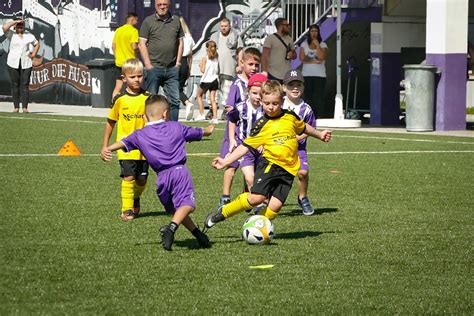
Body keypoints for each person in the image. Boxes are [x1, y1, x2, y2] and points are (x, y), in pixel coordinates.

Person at [204, 80, 331, 231]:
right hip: (270, 165)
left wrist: (320, 134)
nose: (270, 107)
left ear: (282, 101)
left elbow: (304, 127)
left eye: (275, 103)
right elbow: (245, 146)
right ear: (262, 101)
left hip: (289, 170)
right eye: (267, 103)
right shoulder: (261, 124)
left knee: (275, 206)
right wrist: (226, 161)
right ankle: (222, 213)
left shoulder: (290, 117)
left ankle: (256, 226)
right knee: (256, 198)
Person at [101, 95, 215, 251]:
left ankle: (198, 235)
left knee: (177, 210)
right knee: (188, 205)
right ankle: (171, 229)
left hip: (161, 179)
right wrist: (208, 130)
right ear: (165, 113)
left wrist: (107, 148)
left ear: (144, 116)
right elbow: (200, 132)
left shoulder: (139, 134)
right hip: (179, 172)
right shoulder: (176, 127)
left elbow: (123, 142)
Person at [100, 59, 149, 222]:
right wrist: (105, 146)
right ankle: (127, 209)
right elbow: (110, 122)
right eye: (132, 76)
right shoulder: (119, 99)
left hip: (145, 149)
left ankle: (135, 198)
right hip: (125, 148)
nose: (137, 79)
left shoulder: (148, 98)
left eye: (140, 76)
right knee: (129, 178)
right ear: (124, 79)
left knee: (142, 181)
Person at [217, 47, 261, 207]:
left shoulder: (259, 84)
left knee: (250, 165)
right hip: (235, 133)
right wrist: (231, 139)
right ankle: (225, 197)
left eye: (257, 65)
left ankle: (248, 195)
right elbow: (230, 107)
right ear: (242, 63)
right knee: (231, 164)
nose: (254, 68)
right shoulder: (237, 84)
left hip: (251, 133)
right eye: (250, 64)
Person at [138, 0, 183, 121]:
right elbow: (141, 44)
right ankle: (151, 131)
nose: (162, 7)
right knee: (151, 102)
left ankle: (174, 130)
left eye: (165, 5)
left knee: (174, 101)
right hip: (154, 68)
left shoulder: (176, 21)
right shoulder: (148, 21)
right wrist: (148, 65)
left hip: (172, 69)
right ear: (155, 5)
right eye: (159, 5)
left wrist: (178, 63)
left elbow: (181, 42)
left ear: (169, 5)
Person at [282, 69, 316, 215]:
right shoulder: (278, 104)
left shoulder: (306, 109)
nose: (295, 88)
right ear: (284, 88)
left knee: (303, 172)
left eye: (298, 85)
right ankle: (266, 199)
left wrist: (295, 139)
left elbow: (310, 129)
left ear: (303, 87)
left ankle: (302, 197)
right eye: (291, 85)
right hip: (278, 149)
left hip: (298, 148)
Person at [226, 73, 268, 191]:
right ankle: (256, 204)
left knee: (261, 179)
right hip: (245, 147)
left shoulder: (267, 109)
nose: (257, 97)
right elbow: (232, 120)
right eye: (254, 93)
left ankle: (251, 196)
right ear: (248, 91)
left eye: (261, 94)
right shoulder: (240, 107)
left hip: (262, 148)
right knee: (250, 178)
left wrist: (263, 143)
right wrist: (232, 139)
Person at [2, 17, 40, 113]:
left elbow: (37, 44)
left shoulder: (29, 35)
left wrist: (33, 54)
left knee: (25, 84)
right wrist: (15, 22)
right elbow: (4, 28)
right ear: (15, 26)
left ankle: (25, 107)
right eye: (18, 25)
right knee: (15, 84)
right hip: (13, 62)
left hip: (26, 62)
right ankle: (16, 107)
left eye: (21, 25)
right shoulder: (11, 34)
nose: (20, 27)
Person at [210, 17, 244, 120]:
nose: (224, 28)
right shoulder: (214, 36)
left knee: (227, 90)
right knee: (214, 90)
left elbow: (240, 50)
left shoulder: (235, 35)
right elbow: (209, 50)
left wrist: (240, 64)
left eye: (226, 26)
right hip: (215, 67)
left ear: (230, 26)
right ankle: (212, 110)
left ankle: (226, 110)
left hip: (229, 67)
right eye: (222, 26)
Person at [299, 24, 328, 118]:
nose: (314, 33)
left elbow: (322, 57)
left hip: (320, 75)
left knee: (318, 97)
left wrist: (317, 45)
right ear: (309, 33)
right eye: (312, 31)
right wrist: (315, 61)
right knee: (308, 96)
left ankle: (320, 116)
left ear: (318, 32)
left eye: (316, 31)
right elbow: (302, 58)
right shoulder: (304, 44)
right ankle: (308, 116)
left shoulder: (323, 44)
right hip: (307, 75)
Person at [112, 12, 139, 98]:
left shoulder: (118, 30)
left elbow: (113, 46)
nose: (137, 22)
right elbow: (134, 47)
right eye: (136, 20)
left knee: (118, 86)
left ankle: (113, 103)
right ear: (132, 20)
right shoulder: (134, 31)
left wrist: (117, 57)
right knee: (133, 86)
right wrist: (142, 47)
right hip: (130, 63)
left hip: (119, 63)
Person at [261, 17, 296, 83]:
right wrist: (265, 71)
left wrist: (292, 54)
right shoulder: (270, 38)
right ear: (280, 26)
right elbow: (264, 56)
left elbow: (295, 56)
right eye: (287, 25)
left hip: (287, 74)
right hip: (273, 74)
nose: (289, 27)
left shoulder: (289, 39)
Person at [194, 40, 219, 124]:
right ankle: (215, 117)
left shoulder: (205, 58)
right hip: (215, 79)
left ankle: (201, 114)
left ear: (207, 48)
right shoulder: (216, 57)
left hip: (206, 80)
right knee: (213, 99)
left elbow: (203, 70)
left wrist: (200, 66)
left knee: (199, 96)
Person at [178, 17, 195, 121]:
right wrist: (189, 68)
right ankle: (186, 103)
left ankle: (187, 102)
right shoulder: (189, 37)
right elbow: (191, 55)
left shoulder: (177, 37)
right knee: (178, 87)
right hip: (185, 64)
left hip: (177, 62)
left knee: (174, 88)